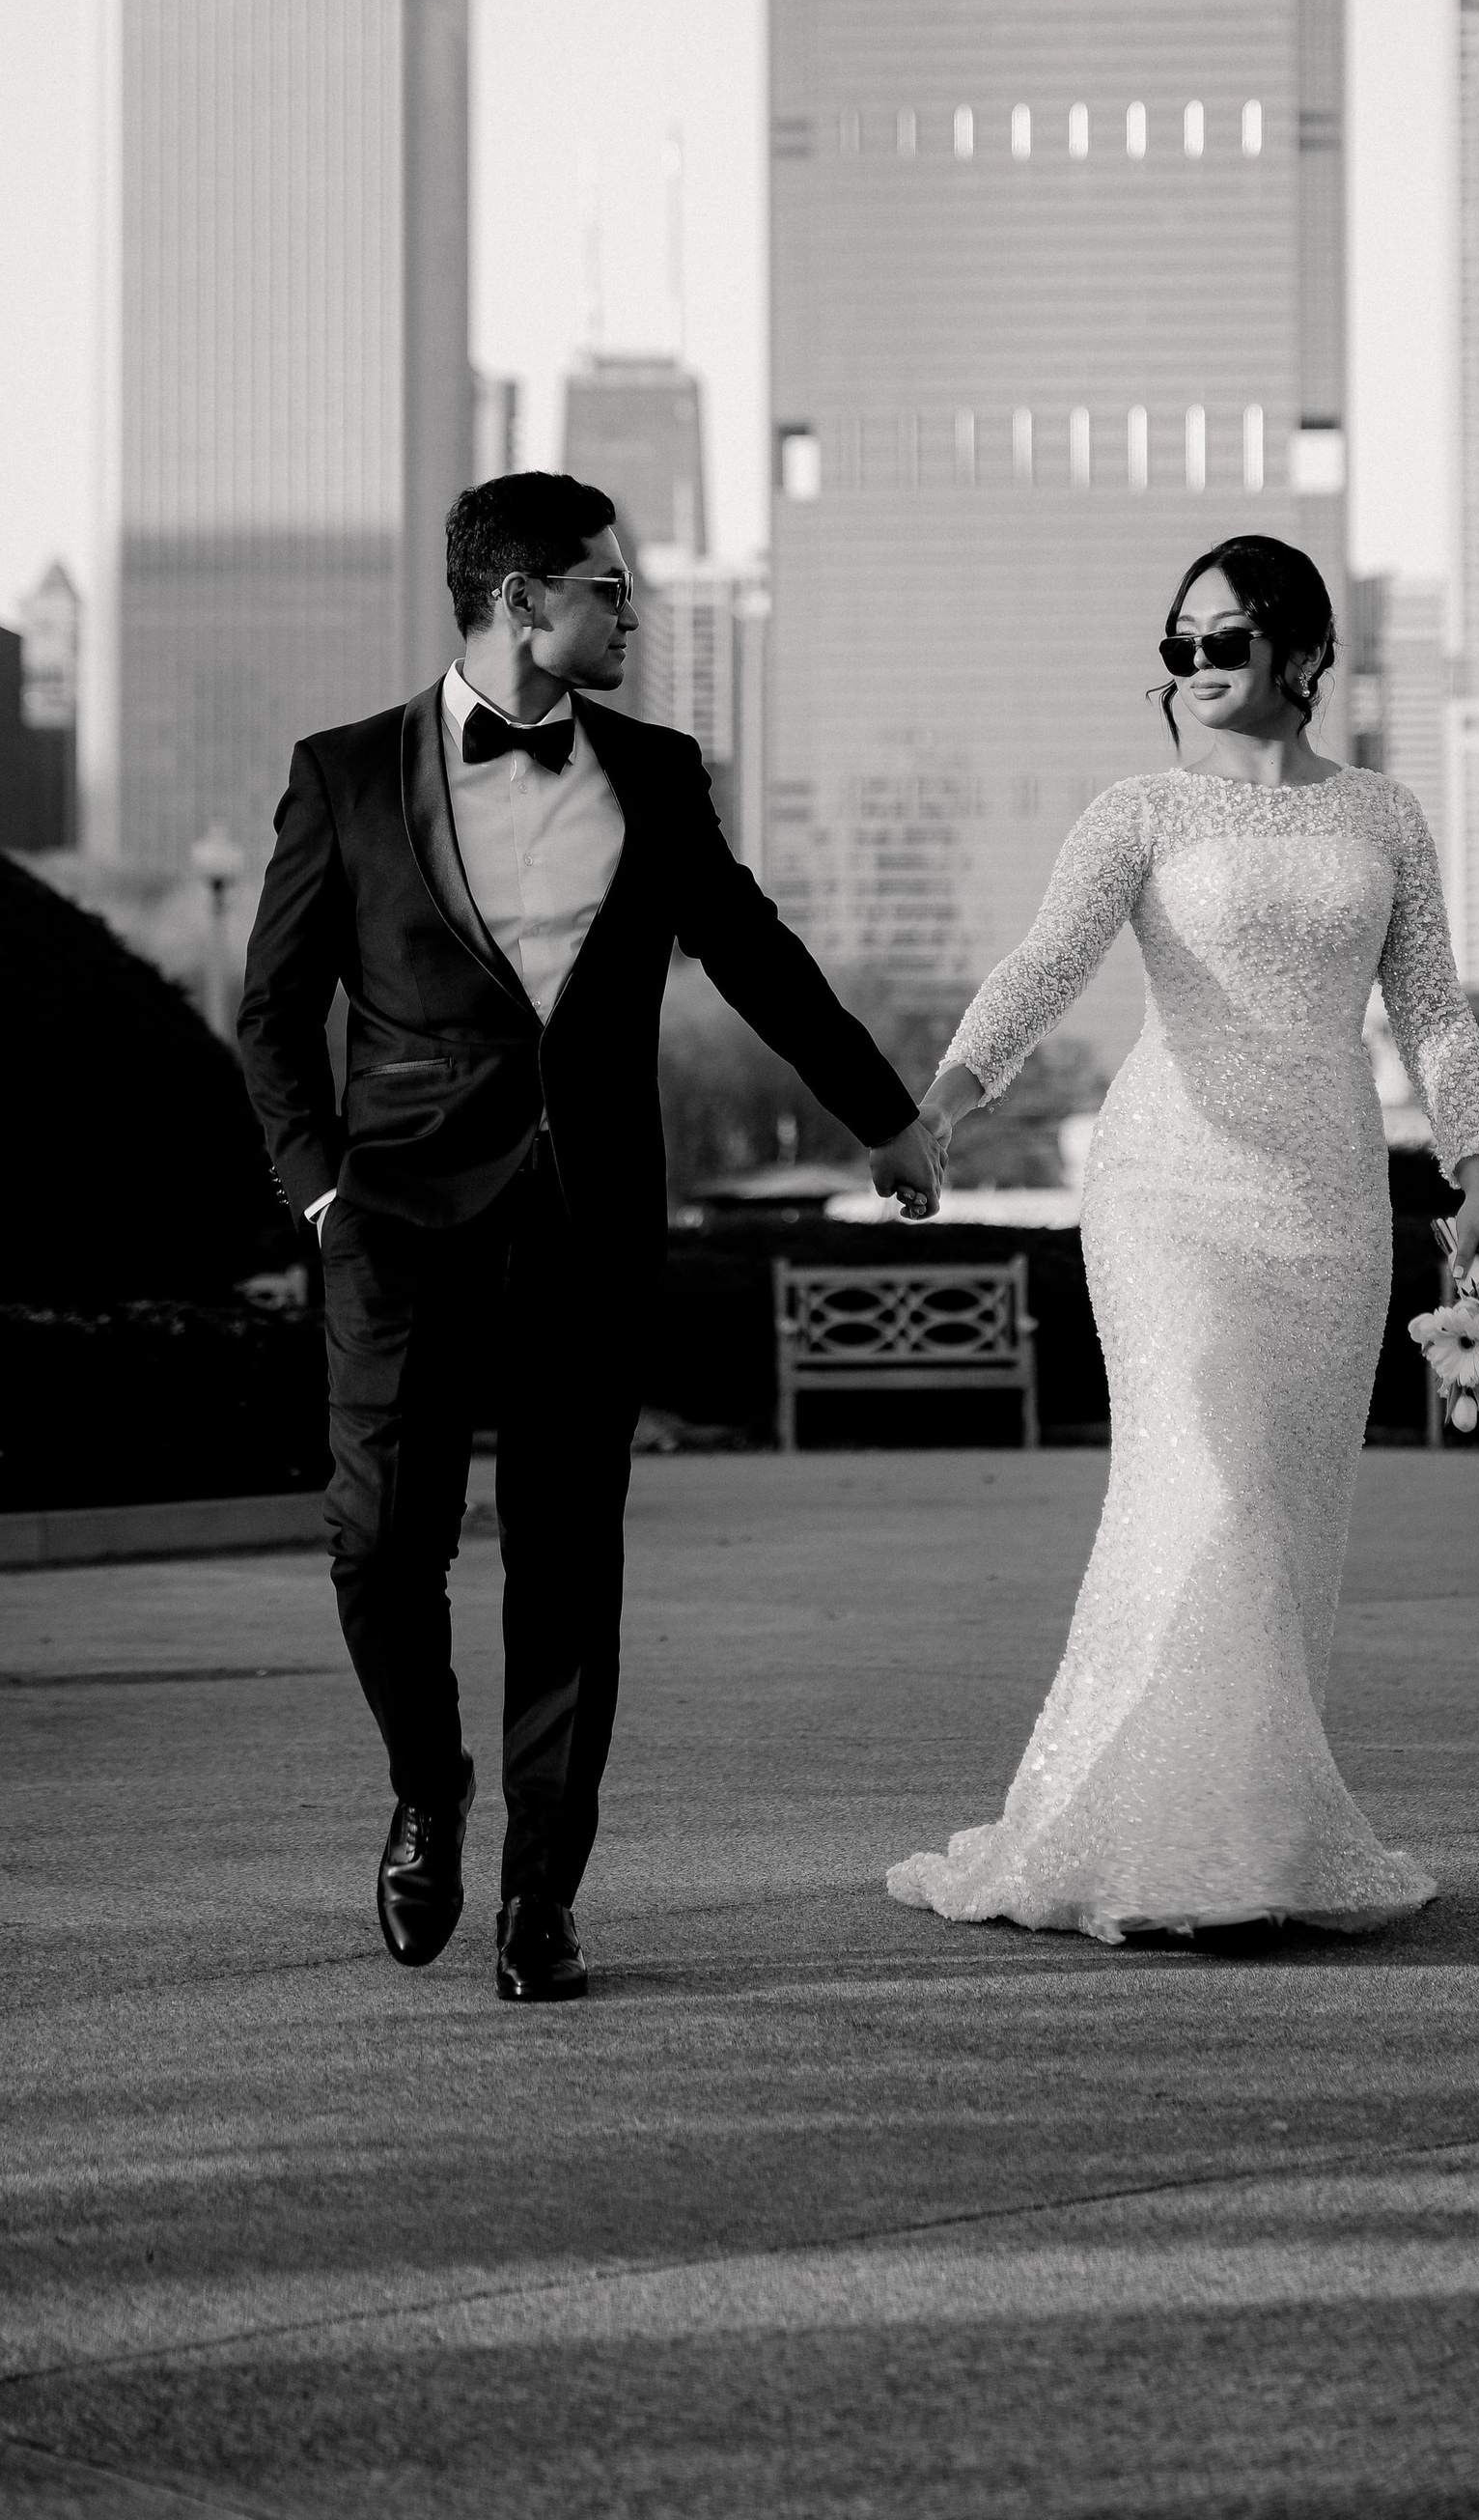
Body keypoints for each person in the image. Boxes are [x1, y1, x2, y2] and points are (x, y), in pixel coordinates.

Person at [237, 472, 943, 1997]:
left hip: (589, 1221)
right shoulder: (348, 774)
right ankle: (430, 1787)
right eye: (609, 588)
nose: (635, 610)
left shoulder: (660, 770)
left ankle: (541, 1897)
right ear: (520, 602)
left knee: (566, 1564)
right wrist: (320, 1190)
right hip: (397, 1224)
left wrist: (880, 1114)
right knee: (378, 1548)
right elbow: (273, 1013)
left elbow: (753, 950)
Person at [886, 537, 1479, 1943]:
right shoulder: (1140, 814)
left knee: (1280, 1522)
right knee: (1206, 1484)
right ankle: (1161, 1848)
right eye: (1178, 645)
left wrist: (1474, 1171)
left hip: (1332, 1198)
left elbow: (1435, 1011)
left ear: (1300, 654)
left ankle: (1247, 1836)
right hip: (1169, 1189)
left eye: (1223, 640)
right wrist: (941, 1106)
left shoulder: (1387, 817)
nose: (1196, 667)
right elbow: (1044, 963)